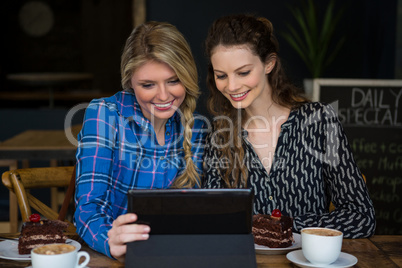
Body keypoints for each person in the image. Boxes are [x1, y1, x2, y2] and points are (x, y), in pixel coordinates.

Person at [202, 14, 376, 238]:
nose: (232, 86)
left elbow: (361, 217)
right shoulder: (219, 135)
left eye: (243, 72)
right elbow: (215, 221)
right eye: (221, 76)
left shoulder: (319, 121)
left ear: (269, 64)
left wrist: (285, 226)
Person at [74, 21, 206, 261]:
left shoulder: (195, 127)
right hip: (118, 257)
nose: (164, 96)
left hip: (175, 256)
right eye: (148, 85)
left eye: (174, 81)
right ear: (130, 82)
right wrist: (109, 240)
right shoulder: (105, 114)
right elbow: (88, 208)